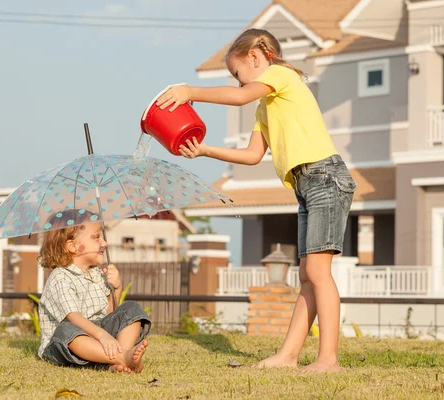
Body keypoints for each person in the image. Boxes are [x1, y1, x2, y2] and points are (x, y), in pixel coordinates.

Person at [156, 28, 356, 373]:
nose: (238, 84)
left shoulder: (281, 75)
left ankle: (328, 360)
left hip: (326, 176)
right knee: (308, 274)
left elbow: (238, 98)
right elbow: (251, 155)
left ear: (257, 55)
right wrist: (204, 150)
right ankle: (288, 356)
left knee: (318, 273)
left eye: (237, 75)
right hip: (306, 183)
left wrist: (189, 92)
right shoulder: (267, 106)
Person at [37, 209, 151, 373]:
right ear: (72, 246)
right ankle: (123, 357)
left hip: (97, 338)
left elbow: (108, 314)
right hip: (65, 345)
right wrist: (102, 335)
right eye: (96, 237)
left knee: (130, 309)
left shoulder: (97, 274)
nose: (104, 243)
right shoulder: (60, 278)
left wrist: (116, 288)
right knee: (66, 330)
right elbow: (73, 317)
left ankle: (116, 360)